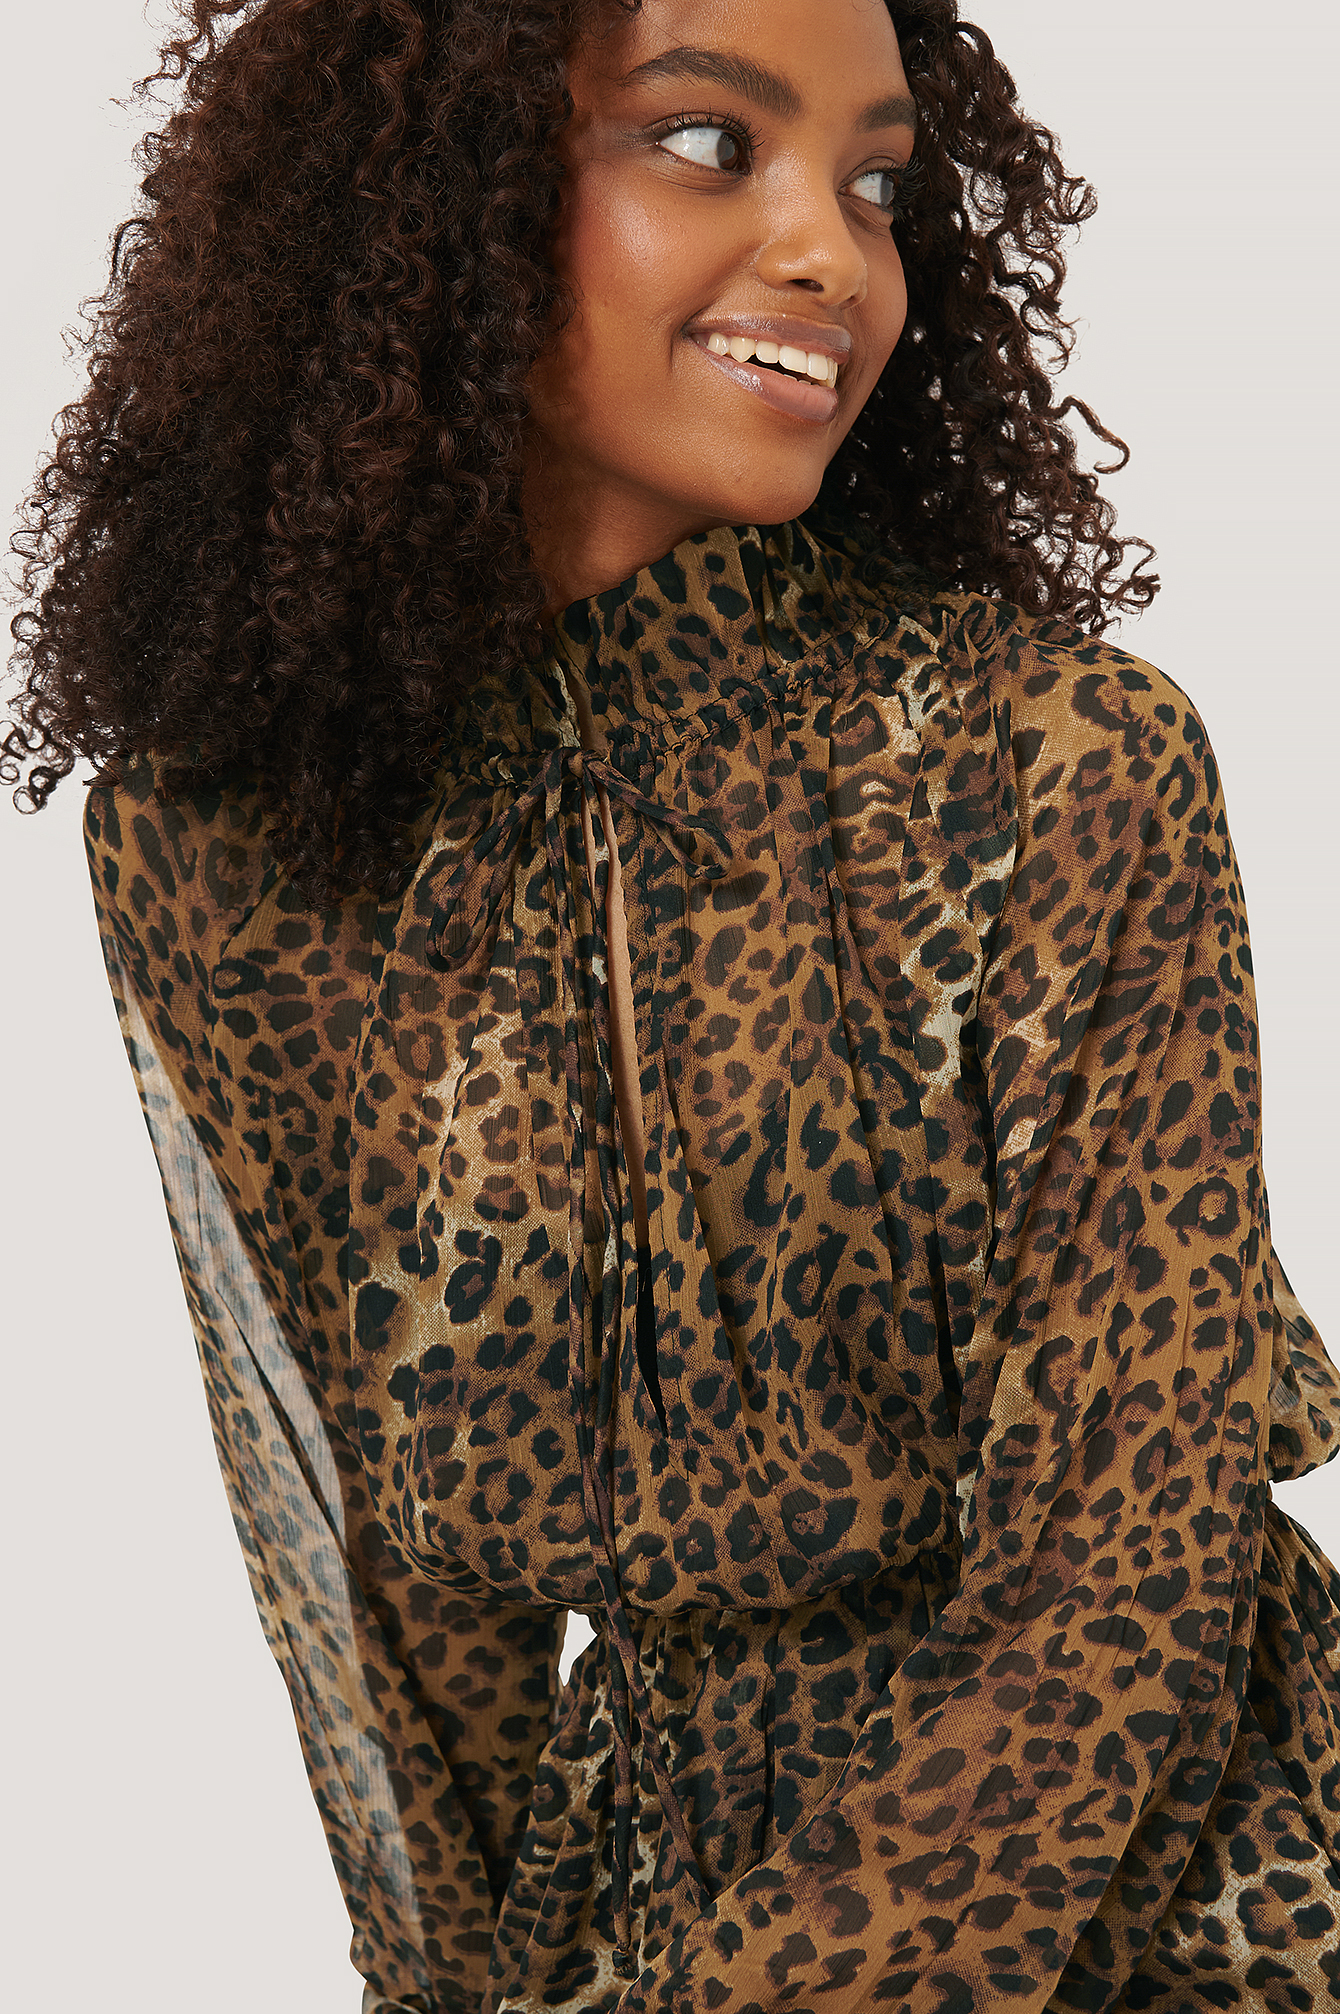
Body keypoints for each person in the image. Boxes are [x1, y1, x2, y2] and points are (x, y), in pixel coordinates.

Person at [5, 1, 1338, 2009]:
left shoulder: (1060, 762)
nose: (831, 253)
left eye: (875, 184)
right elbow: (382, 1630)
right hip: (643, 1901)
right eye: (710, 142)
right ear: (432, 199)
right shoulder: (225, 854)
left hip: (1182, 1888)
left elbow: (1119, 1575)